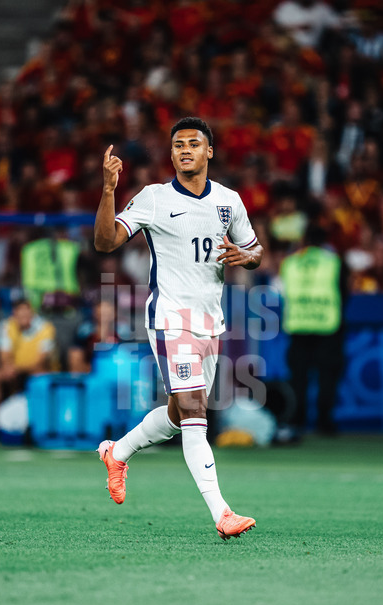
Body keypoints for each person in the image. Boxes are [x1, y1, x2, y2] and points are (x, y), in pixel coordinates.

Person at [93, 116, 263, 540]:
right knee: (193, 410)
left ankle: (119, 452)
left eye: (193, 143)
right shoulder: (153, 198)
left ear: (210, 152)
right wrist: (110, 191)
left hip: (211, 322)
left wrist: (249, 257)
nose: (185, 150)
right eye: (178, 145)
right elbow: (105, 242)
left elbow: (254, 246)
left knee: (177, 414)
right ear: (171, 155)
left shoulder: (229, 201)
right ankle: (221, 513)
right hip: (169, 318)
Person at [279, 227, 344, 437]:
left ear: (303, 240)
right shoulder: (333, 262)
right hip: (327, 326)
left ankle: (297, 421)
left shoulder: (290, 263)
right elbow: (344, 291)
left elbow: (281, 292)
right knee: (327, 378)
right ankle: (324, 423)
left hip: (299, 326)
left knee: (298, 378)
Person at [0, 298, 58, 440]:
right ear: (14, 313)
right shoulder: (6, 326)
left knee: (41, 374)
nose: (23, 317)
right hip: (16, 370)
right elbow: (4, 356)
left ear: (32, 313)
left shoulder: (46, 328)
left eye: (26, 313)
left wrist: (17, 368)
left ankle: (44, 423)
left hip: (39, 371)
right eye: (19, 313)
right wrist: (9, 368)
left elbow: (40, 361)